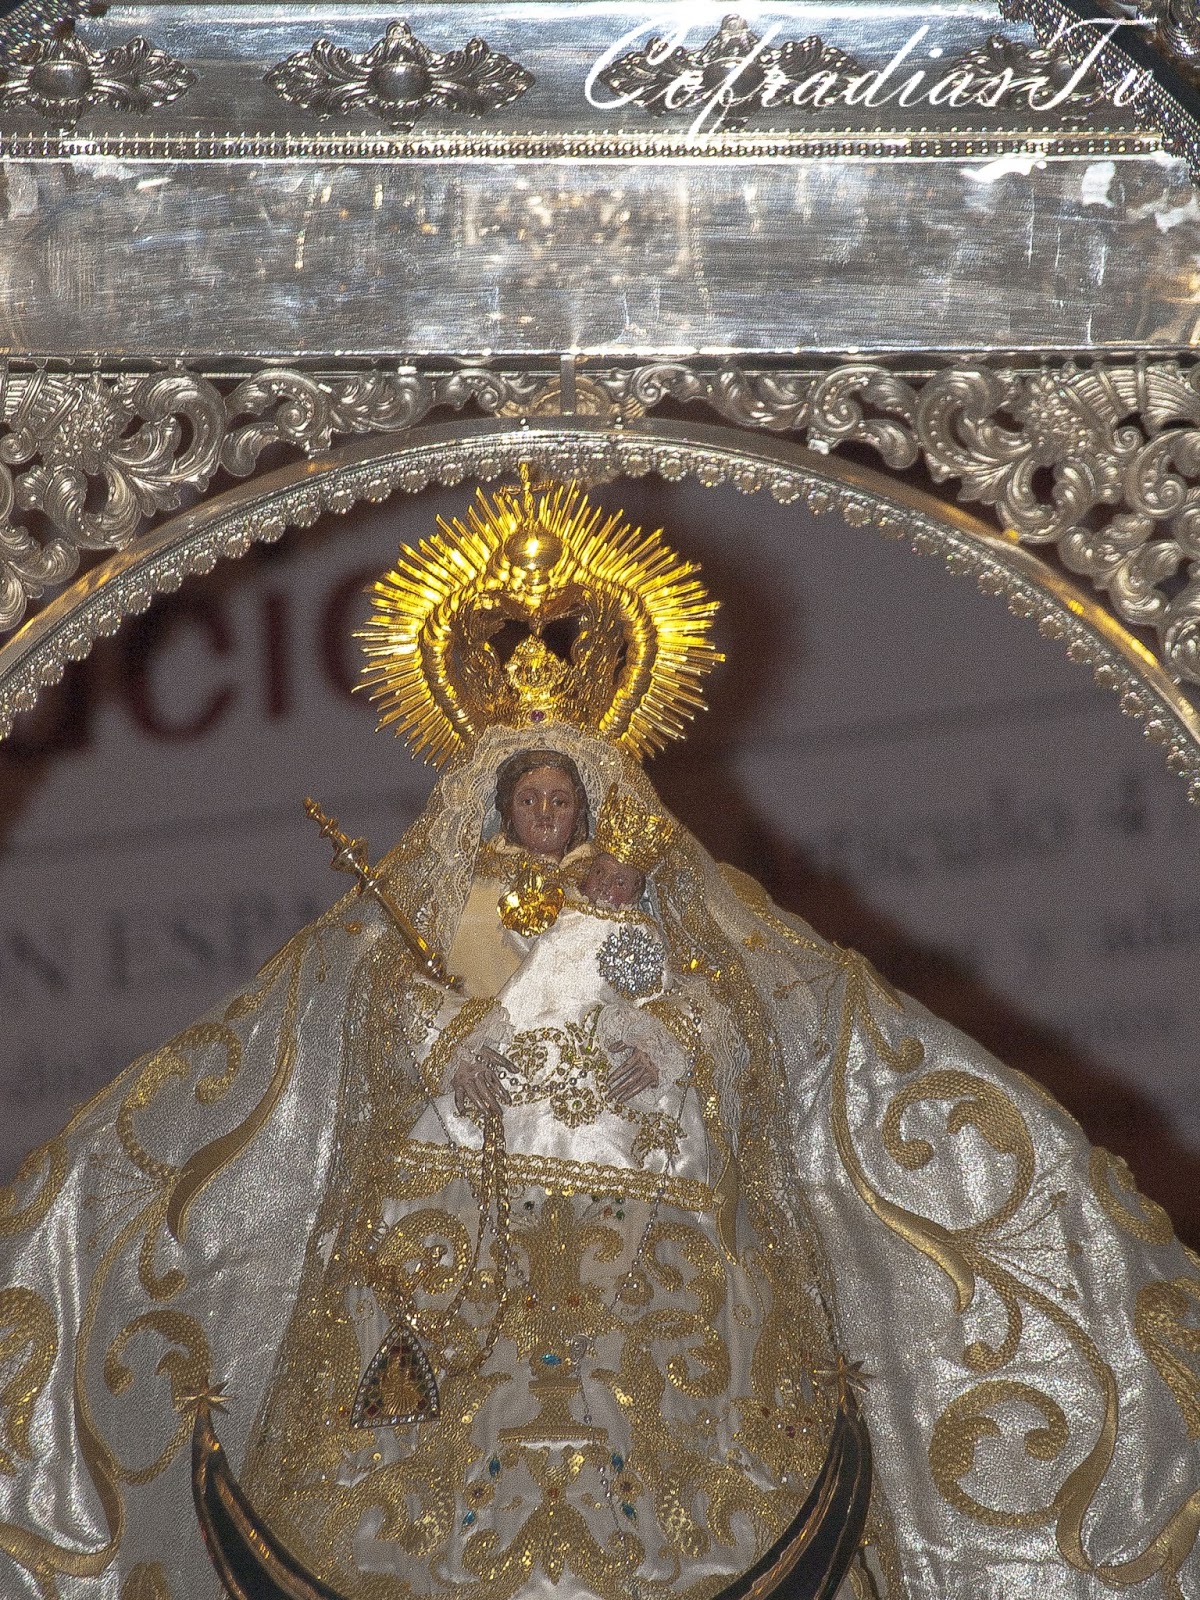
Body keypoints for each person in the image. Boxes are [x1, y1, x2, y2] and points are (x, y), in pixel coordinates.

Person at [1, 475, 1199, 1600]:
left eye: (562, 799)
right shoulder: (454, 910)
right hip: (465, 1195)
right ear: (496, 803)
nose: (545, 814)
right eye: (529, 800)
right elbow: (400, 1018)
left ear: (591, 802)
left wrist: (645, 1018)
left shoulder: (650, 903)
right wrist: (462, 1039)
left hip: (643, 1204)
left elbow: (707, 1010)